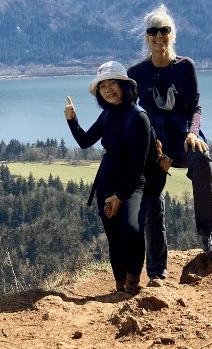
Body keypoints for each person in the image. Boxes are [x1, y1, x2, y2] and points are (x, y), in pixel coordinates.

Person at [128, 4, 212, 283]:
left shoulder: (185, 67)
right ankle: (157, 271)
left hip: (184, 137)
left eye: (165, 30)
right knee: (152, 195)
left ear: (172, 34)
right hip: (154, 144)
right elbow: (134, 114)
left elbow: (196, 107)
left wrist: (194, 133)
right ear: (147, 37)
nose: (159, 35)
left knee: (202, 159)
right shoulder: (137, 72)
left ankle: (209, 234)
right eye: (153, 31)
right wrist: (151, 146)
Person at [64, 61, 152, 295]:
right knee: (114, 236)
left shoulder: (139, 117)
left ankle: (133, 282)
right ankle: (119, 285)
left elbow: (137, 164)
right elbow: (85, 141)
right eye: (102, 87)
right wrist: (72, 120)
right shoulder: (108, 115)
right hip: (106, 182)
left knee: (131, 230)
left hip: (132, 185)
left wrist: (120, 196)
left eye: (113, 83)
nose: (108, 90)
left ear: (124, 85)